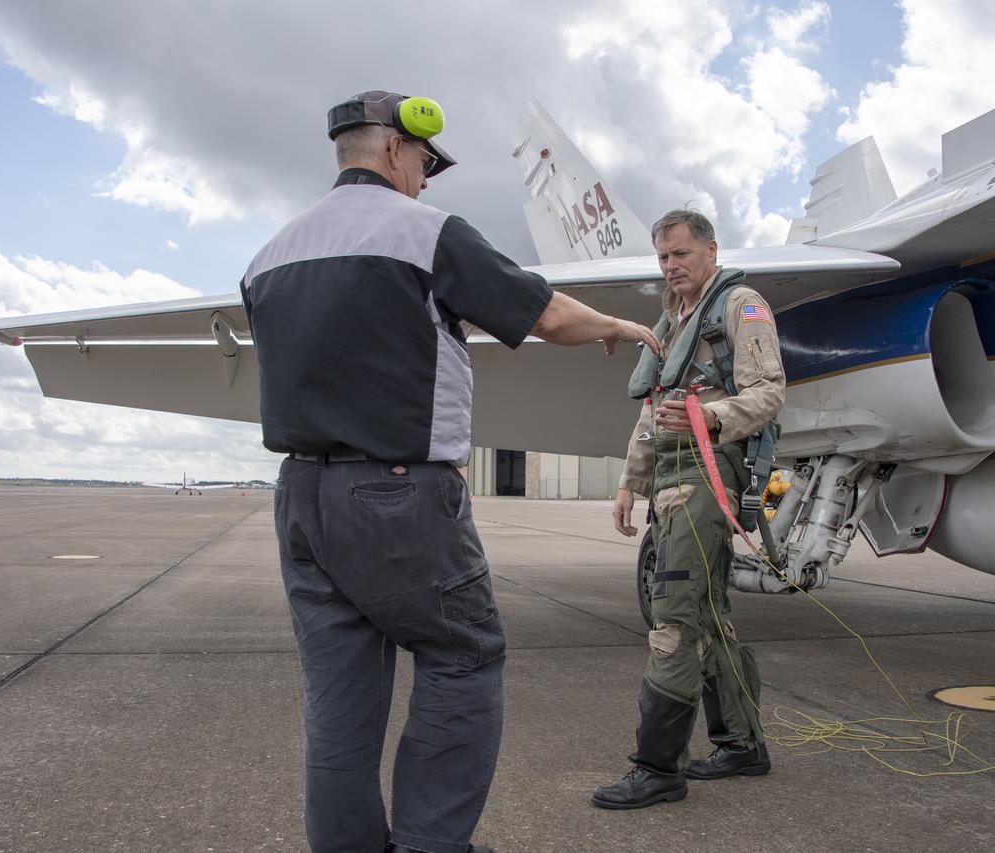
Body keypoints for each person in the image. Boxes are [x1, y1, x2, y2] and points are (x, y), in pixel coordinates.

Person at [239, 90, 659, 853]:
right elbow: (548, 315)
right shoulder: (424, 232)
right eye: (426, 163)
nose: (427, 180)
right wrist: (619, 323)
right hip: (399, 496)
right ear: (396, 150)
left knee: (338, 697)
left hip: (301, 498)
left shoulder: (270, 254)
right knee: (462, 656)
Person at [594, 209, 785, 809]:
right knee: (707, 615)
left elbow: (769, 391)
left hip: (708, 473)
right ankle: (741, 744)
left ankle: (657, 768)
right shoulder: (673, 321)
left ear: (709, 250)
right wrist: (631, 481)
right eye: (662, 258)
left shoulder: (739, 305)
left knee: (673, 618)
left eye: (680, 254)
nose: (671, 267)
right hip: (672, 477)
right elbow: (653, 411)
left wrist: (710, 416)